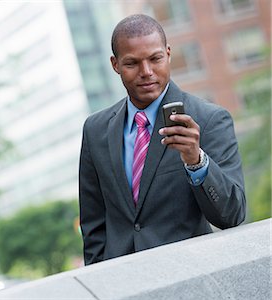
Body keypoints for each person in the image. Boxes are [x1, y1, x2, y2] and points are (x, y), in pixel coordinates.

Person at [79, 14, 246, 265]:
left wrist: (196, 161)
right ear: (115, 65)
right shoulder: (96, 130)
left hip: (188, 275)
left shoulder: (209, 119)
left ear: (168, 54)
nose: (146, 72)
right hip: (122, 282)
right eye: (132, 63)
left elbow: (232, 214)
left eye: (155, 59)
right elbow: (93, 224)